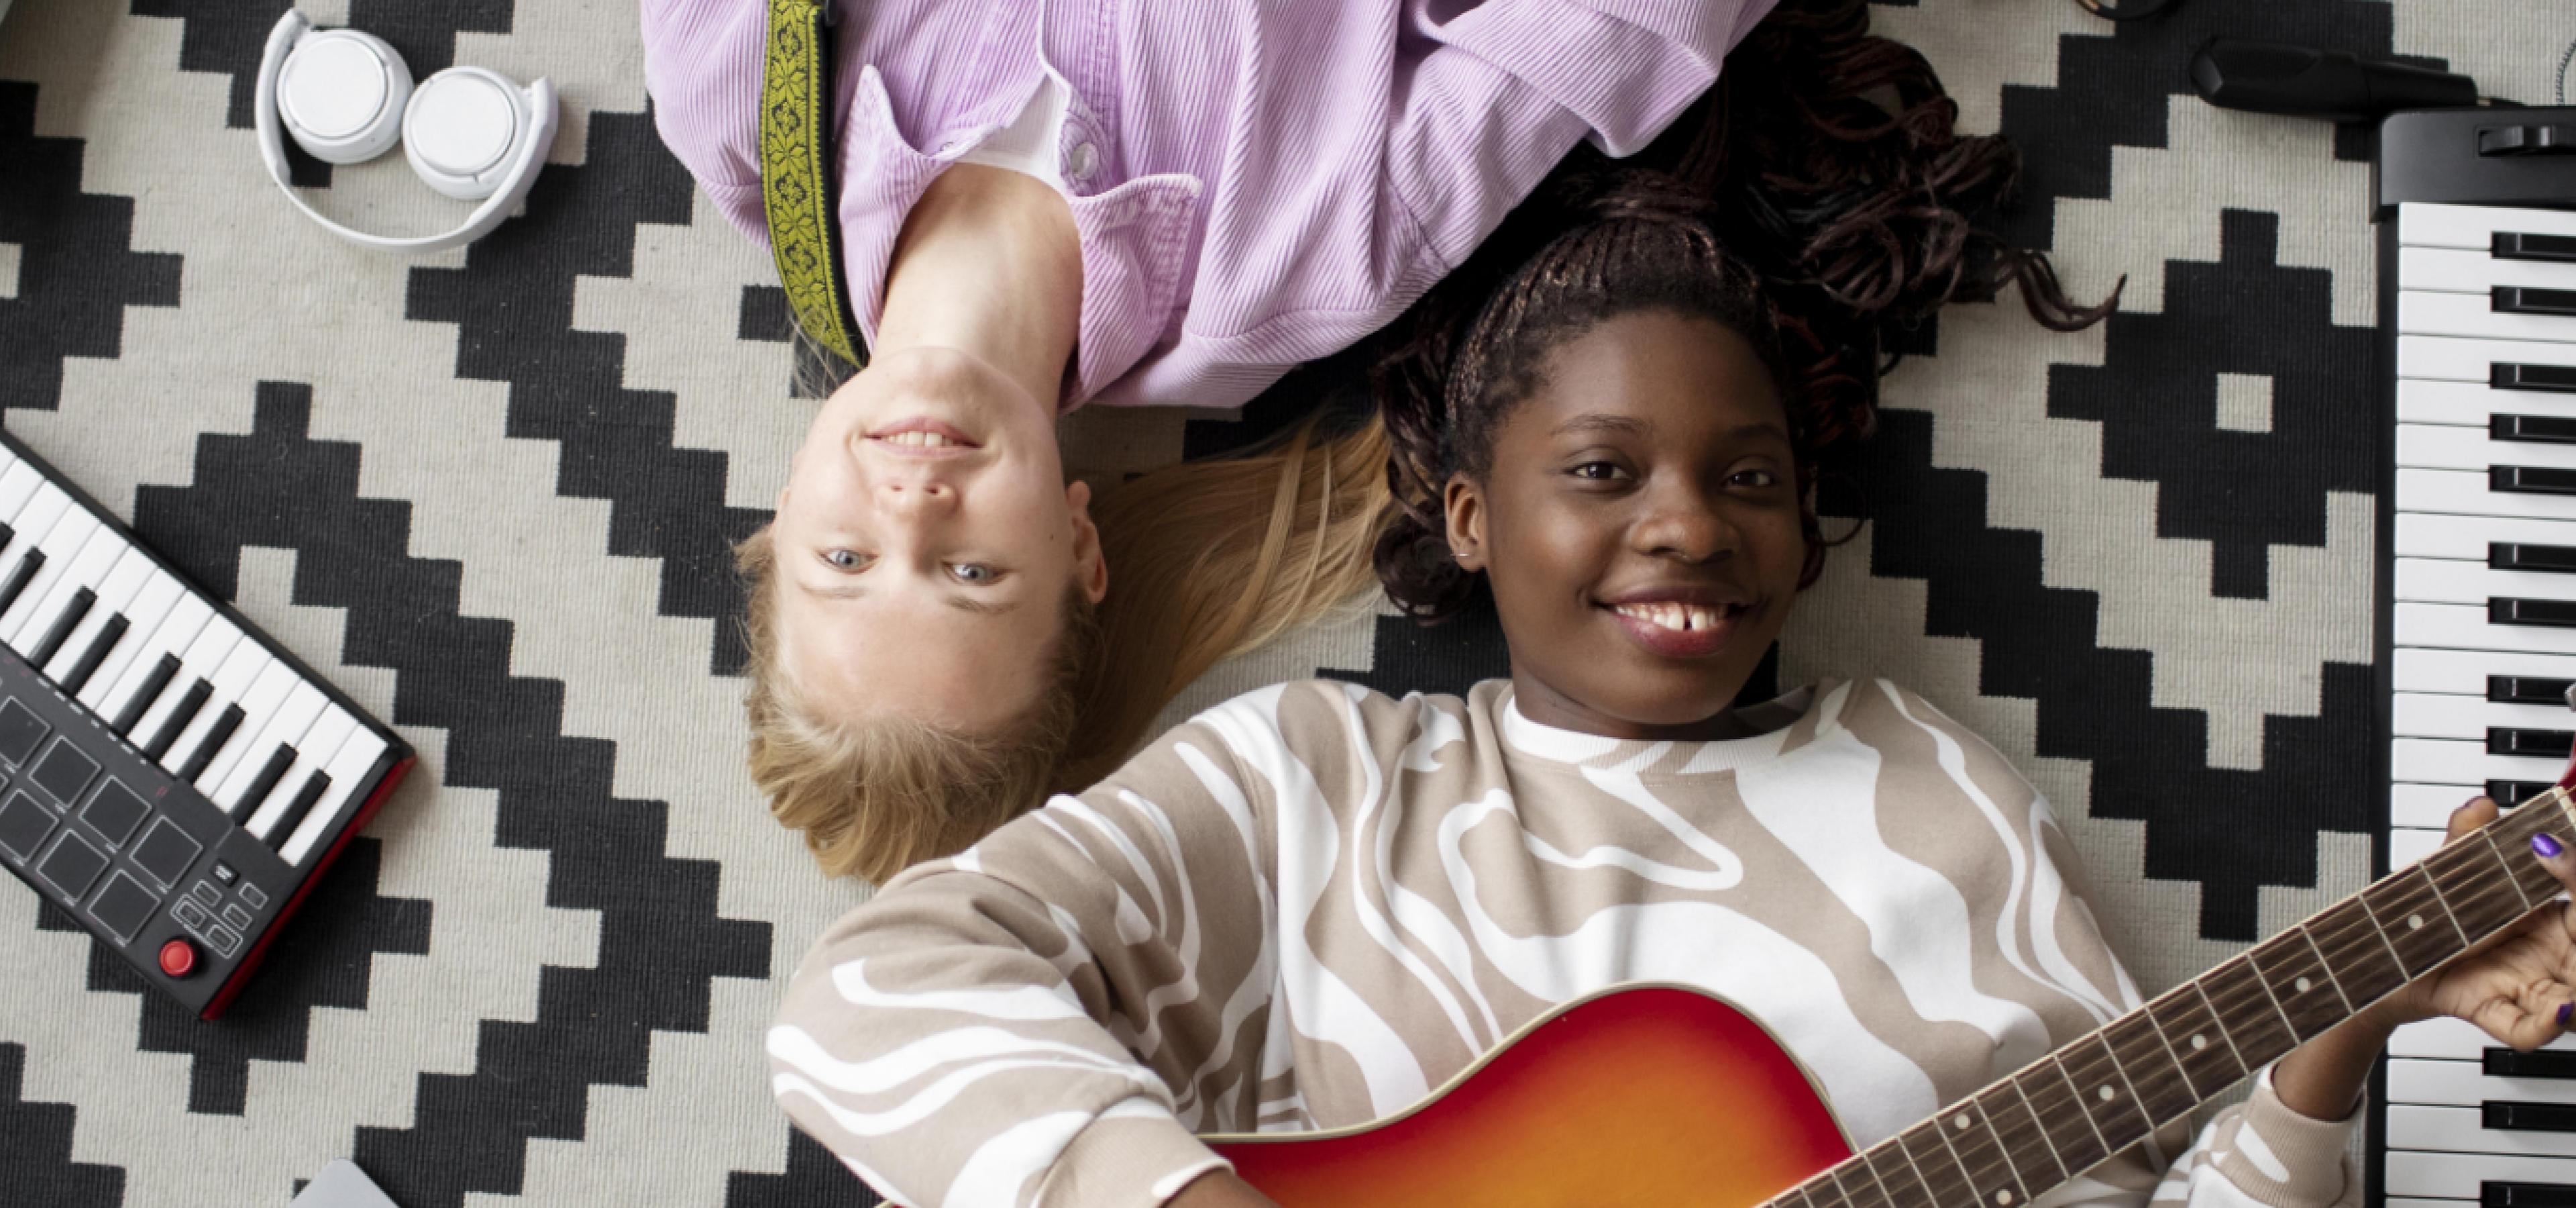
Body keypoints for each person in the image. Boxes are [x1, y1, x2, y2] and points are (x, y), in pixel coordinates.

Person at [759, 163, 2576, 1208]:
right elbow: (868, 1000)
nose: (1690, 530)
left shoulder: (1934, 811)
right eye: (1604, 474)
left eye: (1752, 479)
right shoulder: (1315, 782)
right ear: (1471, 519)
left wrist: (2346, 1025)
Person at [639, 0, 1778, 882]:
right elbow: (1619, 31)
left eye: (843, 563)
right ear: (1081, 551)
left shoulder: (742, 114)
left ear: (782, 513)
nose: (912, 506)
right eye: (971, 573)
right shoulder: (1294, 270)